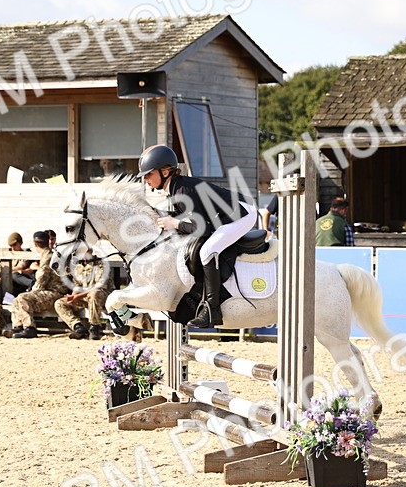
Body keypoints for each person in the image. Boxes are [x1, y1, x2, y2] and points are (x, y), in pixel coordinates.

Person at [138, 144, 257, 329]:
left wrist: (174, 224)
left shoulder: (181, 190)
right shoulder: (176, 188)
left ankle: (212, 310)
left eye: (148, 174)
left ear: (165, 172)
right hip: (223, 216)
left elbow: (202, 229)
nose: (145, 179)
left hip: (242, 214)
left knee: (208, 250)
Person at [5, 231, 69, 339]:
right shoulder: (47, 255)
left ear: (35, 244)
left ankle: (30, 328)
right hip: (48, 291)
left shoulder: (48, 257)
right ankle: (18, 327)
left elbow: (41, 279)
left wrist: (31, 292)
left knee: (22, 298)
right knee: (16, 299)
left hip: (54, 292)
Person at [54, 257, 109, 340]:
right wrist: (72, 297)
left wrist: (78, 296)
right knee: (60, 303)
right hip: (85, 297)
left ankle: (95, 327)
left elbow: (99, 287)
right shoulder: (78, 265)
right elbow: (77, 285)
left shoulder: (100, 264)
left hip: (101, 296)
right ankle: (78, 327)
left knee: (94, 294)